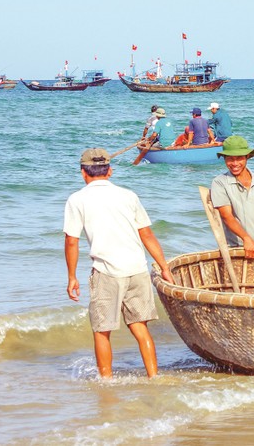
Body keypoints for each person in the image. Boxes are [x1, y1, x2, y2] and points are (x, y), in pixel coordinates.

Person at [63, 148, 174, 378]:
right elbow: (147, 235)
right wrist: (164, 267)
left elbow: (71, 241)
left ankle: (106, 382)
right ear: (110, 171)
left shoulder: (77, 200)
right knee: (140, 327)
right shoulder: (128, 195)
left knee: (102, 331)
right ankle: (154, 376)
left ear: (83, 172)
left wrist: (72, 277)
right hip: (137, 269)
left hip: (107, 272)